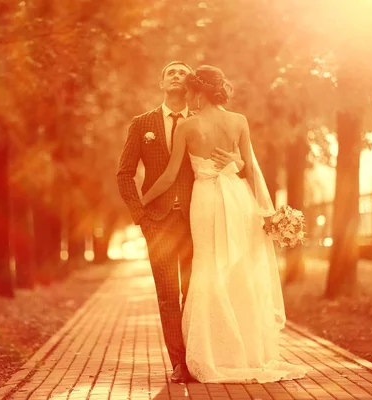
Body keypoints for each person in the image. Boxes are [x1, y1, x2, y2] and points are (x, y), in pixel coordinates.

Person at [140, 65, 308, 383]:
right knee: (239, 268)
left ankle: (212, 353)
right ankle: (246, 352)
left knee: (208, 265)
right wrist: (236, 164)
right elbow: (248, 166)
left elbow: (170, 175)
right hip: (238, 197)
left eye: (190, 91)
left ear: (200, 93)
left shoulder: (187, 127)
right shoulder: (239, 121)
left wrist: (143, 200)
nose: (187, 96)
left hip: (205, 200)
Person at [116, 61, 243, 383]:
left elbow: (236, 158)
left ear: (191, 86)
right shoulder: (142, 123)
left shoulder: (202, 122)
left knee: (194, 289)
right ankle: (178, 363)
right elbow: (125, 173)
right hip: (156, 221)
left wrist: (236, 161)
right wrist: (139, 214)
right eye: (170, 72)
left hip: (196, 216)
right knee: (167, 293)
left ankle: (196, 357)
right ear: (161, 83)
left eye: (182, 72)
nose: (175, 75)